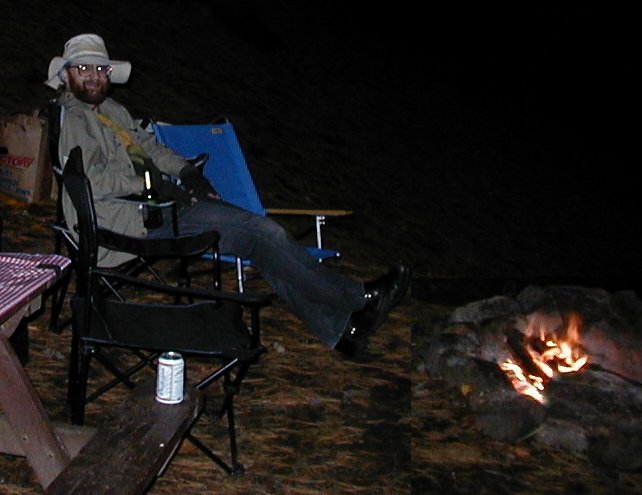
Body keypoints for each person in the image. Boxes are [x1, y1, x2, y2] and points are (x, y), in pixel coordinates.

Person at [45, 33, 410, 358]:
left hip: (155, 206)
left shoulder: (112, 111)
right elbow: (91, 180)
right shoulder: (73, 117)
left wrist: (186, 173)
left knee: (260, 242)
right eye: (83, 68)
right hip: (123, 223)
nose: (93, 76)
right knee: (263, 233)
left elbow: (150, 149)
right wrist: (152, 184)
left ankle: (342, 331)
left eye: (100, 69)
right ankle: (359, 299)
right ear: (66, 75)